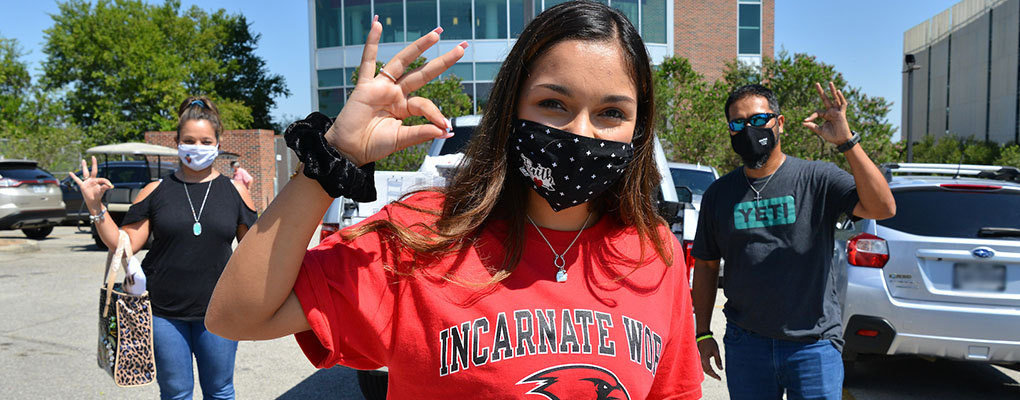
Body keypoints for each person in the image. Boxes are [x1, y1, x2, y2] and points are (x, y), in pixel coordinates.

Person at [205, 2, 702, 398]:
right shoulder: (422, 235)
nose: (580, 131)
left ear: (639, 128)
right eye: (554, 103)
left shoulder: (655, 253)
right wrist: (331, 161)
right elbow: (236, 315)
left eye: (612, 112)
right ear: (511, 108)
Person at [690, 83, 896, 399]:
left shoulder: (818, 179)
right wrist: (702, 333)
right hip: (748, 346)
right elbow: (705, 265)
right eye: (738, 124)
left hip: (813, 346)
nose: (749, 129)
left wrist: (847, 142)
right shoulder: (720, 194)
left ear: (780, 123)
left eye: (759, 120)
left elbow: (883, 207)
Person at [72, 96, 257, 399]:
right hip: (162, 312)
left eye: (205, 140)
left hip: (219, 311)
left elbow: (254, 253)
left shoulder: (236, 192)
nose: (196, 147)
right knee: (175, 392)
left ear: (218, 142)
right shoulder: (155, 191)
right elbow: (124, 244)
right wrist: (97, 208)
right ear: (177, 142)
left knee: (220, 390)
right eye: (189, 140)